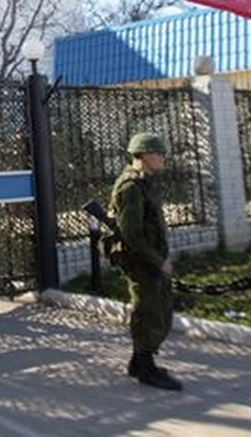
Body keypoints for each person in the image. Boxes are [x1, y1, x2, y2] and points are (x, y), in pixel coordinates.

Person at [107, 132, 183, 391]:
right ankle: (146, 367)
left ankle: (138, 362)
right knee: (148, 310)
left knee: (157, 307)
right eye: (158, 153)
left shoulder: (144, 182)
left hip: (149, 257)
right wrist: (157, 261)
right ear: (143, 155)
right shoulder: (131, 186)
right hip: (140, 260)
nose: (162, 158)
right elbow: (132, 235)